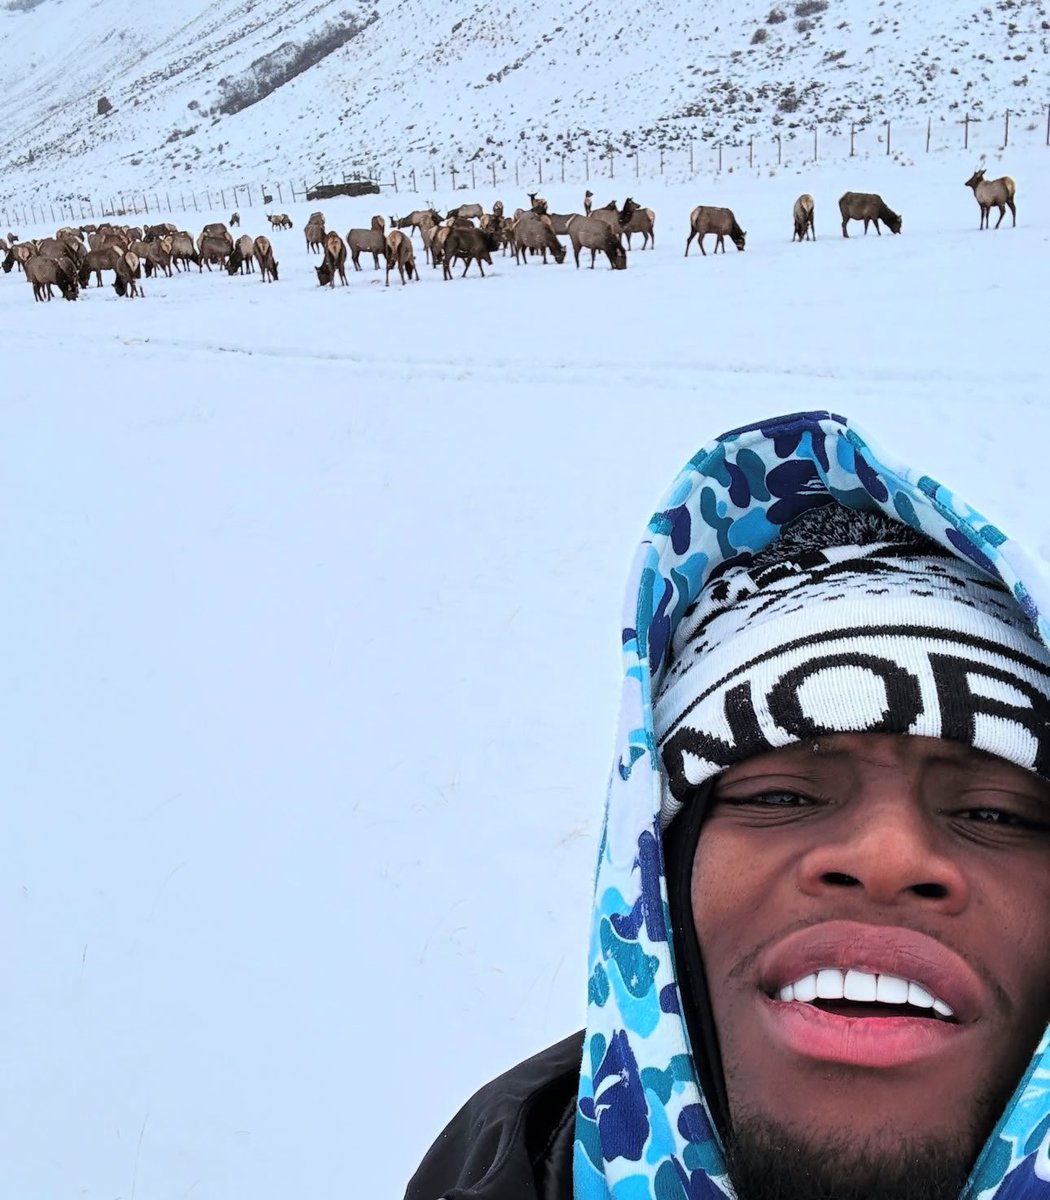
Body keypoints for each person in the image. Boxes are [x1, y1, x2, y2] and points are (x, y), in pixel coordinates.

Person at [405, 410, 1050, 1200]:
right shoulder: (486, 1165)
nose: (888, 855)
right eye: (780, 794)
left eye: (996, 812)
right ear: (651, 890)